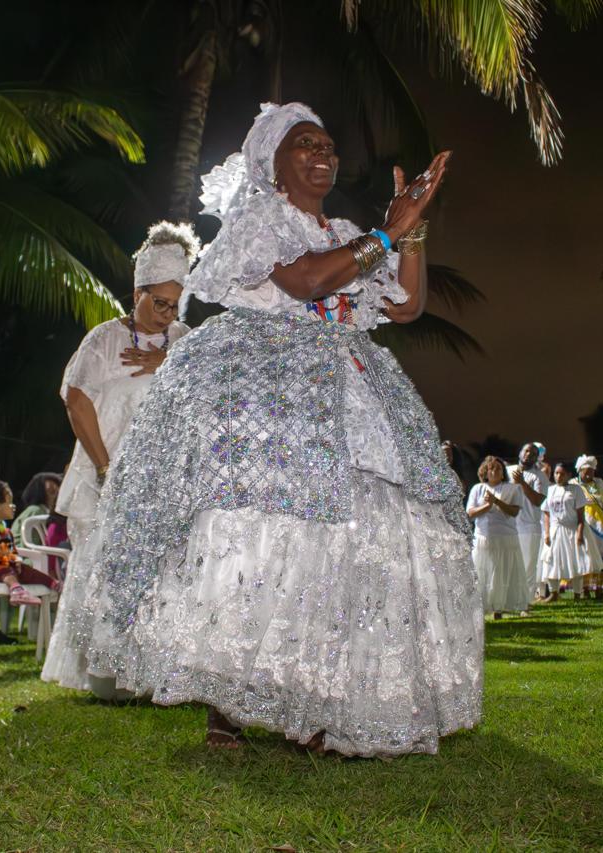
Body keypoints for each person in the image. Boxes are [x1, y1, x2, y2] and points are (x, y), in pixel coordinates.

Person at [45, 102, 478, 756]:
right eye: (304, 143)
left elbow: (406, 305)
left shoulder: (348, 230)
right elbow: (306, 281)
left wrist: (410, 231)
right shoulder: (261, 221)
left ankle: (317, 704)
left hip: (347, 396)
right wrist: (388, 232)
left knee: (342, 544)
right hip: (272, 397)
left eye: (327, 144)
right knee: (259, 538)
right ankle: (228, 705)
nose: (322, 153)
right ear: (272, 164)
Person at [43, 222, 197, 700]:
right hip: (109, 471)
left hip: (165, 480)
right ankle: (108, 677)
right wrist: (106, 468)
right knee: (105, 567)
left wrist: (170, 363)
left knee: (164, 570)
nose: (166, 315)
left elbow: (209, 396)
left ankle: (156, 676)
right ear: (137, 294)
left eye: (175, 306)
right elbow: (76, 399)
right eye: (159, 303)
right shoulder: (106, 339)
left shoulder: (184, 340)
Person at [0, 480, 61, 606]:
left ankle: (53, 583)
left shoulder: (6, 531)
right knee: (4, 568)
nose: (13, 506)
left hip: (7, 568)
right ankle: (17, 591)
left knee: (26, 570)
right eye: (8, 502)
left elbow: (12, 552)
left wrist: (16, 560)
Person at [467, 456, 527, 618]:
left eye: (499, 468)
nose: (495, 471)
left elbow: (514, 512)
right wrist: (488, 505)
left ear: (503, 473)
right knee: (482, 573)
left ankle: (499, 609)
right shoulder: (478, 488)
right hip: (483, 538)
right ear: (485, 472)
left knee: (501, 573)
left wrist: (497, 502)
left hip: (505, 538)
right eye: (491, 468)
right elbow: (470, 513)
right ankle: (481, 608)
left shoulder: (513, 489)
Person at [540, 461, 600, 602]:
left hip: (572, 529)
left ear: (568, 475)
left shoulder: (576, 490)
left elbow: (581, 516)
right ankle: (554, 593)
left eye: (562, 474)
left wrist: (579, 533)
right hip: (555, 530)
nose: (558, 476)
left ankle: (577, 594)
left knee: (576, 561)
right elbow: (547, 513)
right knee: (551, 560)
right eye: (556, 473)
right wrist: (547, 533)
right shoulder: (550, 490)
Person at [507, 442, 550, 602]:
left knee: (528, 566)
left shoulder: (540, 476)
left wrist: (522, 483)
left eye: (533, 454)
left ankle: (526, 601)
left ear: (537, 458)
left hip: (529, 527)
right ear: (520, 452)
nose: (528, 455)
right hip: (508, 525)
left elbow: (537, 501)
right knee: (509, 564)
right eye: (526, 451)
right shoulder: (507, 471)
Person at [574, 455, 603, 598]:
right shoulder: (573, 484)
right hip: (583, 523)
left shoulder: (599, 484)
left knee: (601, 556)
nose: (589, 474)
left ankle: (599, 589)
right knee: (586, 556)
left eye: (592, 471)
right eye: (586, 471)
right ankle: (585, 590)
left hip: (600, 525)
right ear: (579, 470)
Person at [12, 471, 63, 544]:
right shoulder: (36, 510)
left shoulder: (43, 510)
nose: (56, 496)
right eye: (51, 491)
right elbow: (29, 544)